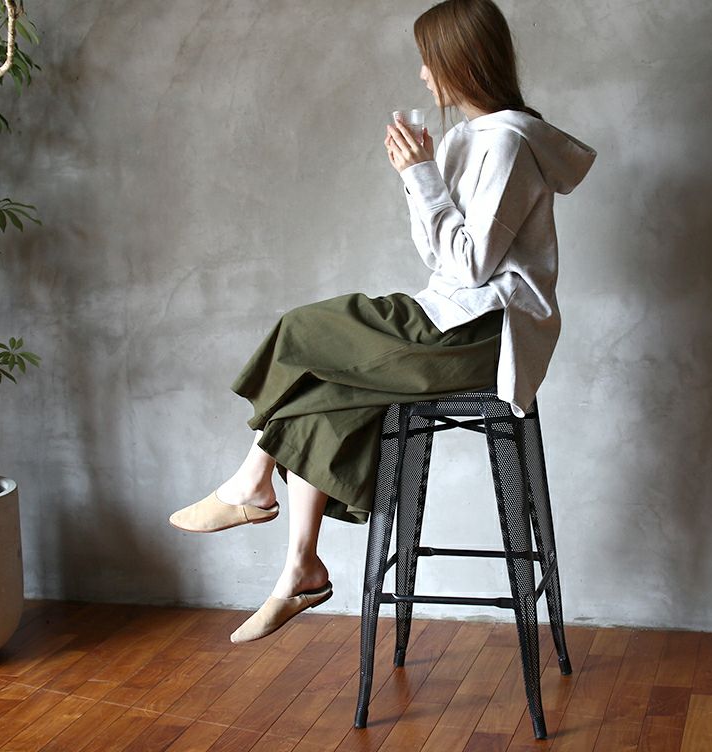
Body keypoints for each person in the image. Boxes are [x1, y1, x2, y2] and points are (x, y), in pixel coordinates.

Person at [168, 0, 597, 644]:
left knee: (302, 330)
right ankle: (300, 568)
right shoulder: (467, 139)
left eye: (429, 61)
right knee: (322, 391)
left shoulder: (508, 142)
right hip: (452, 315)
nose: (423, 75)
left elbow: (473, 267)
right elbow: (439, 258)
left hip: (485, 333)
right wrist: (416, 176)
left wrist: (421, 175)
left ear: (460, 61)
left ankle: (252, 483)